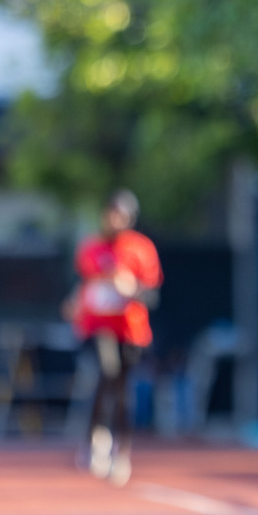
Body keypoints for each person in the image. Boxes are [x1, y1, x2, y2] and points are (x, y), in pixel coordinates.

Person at [71, 189, 162, 485]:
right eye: (110, 213)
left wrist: (131, 288)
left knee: (123, 388)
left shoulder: (141, 249)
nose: (114, 219)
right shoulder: (91, 247)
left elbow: (151, 294)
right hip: (98, 326)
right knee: (105, 371)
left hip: (131, 329)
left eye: (120, 214)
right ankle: (97, 439)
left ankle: (123, 450)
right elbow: (86, 283)